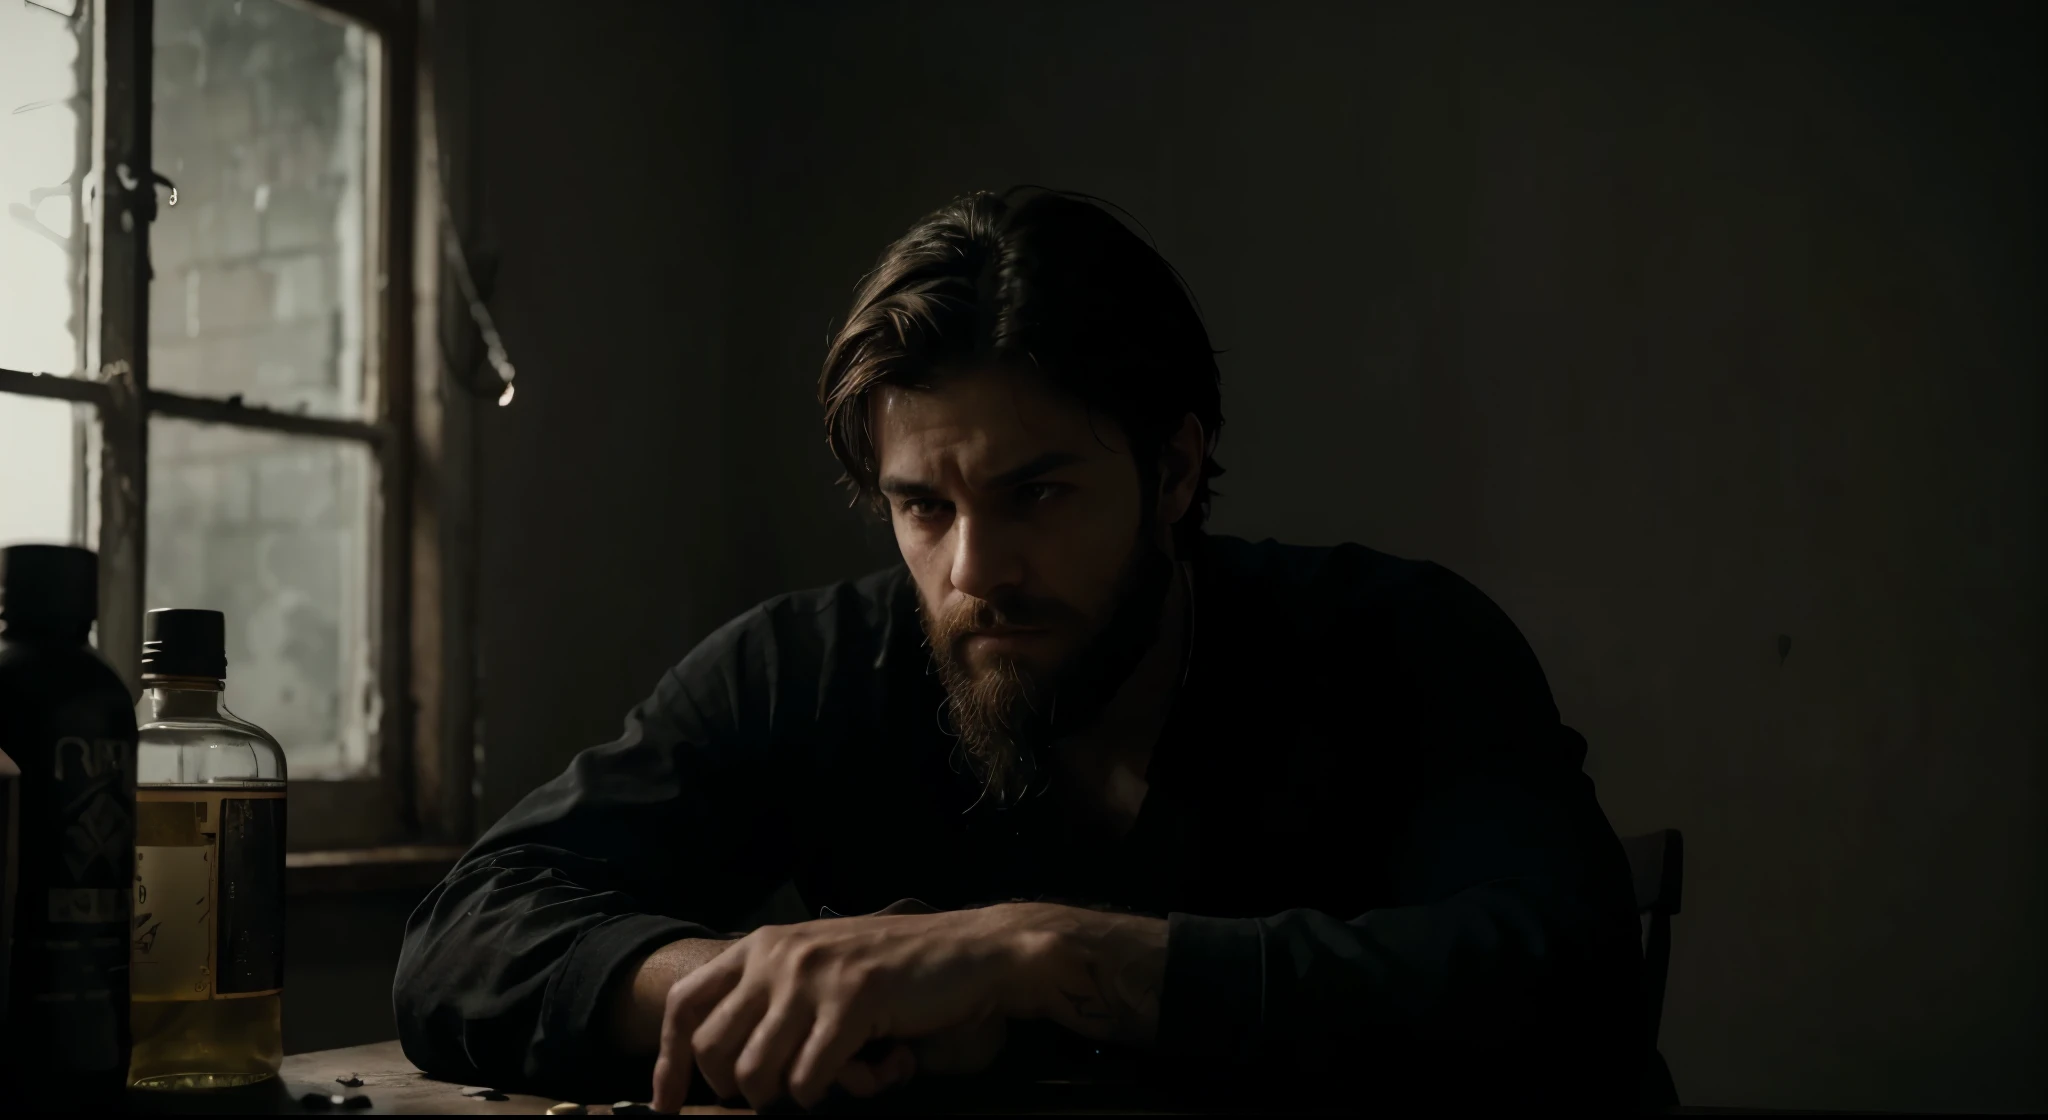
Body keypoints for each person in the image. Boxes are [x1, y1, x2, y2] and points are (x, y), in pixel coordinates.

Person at [393, 188, 1648, 1113]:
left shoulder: (1398, 642)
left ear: (1171, 470)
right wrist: (771, 989)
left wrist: (1030, 958)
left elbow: (1557, 975)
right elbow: (469, 933)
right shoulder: (805, 668)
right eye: (921, 507)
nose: (970, 571)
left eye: (1036, 494)